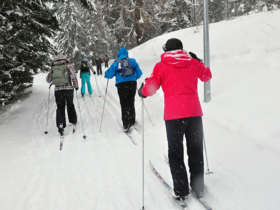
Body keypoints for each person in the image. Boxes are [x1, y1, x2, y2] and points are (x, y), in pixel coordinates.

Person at [138, 38, 212, 201]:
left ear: (166, 50)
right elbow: (207, 76)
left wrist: (142, 92)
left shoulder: (161, 66)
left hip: (173, 116)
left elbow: (152, 87)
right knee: (195, 149)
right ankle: (198, 187)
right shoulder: (192, 63)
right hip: (193, 114)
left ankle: (181, 190)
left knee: (175, 152)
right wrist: (198, 60)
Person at [105, 47, 142, 132]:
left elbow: (109, 74)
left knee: (124, 103)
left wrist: (107, 74)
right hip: (132, 84)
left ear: (119, 54)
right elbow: (139, 73)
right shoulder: (132, 61)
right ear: (126, 53)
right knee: (131, 102)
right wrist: (133, 78)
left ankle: (126, 124)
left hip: (121, 85)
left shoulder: (116, 63)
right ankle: (132, 120)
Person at [46, 54, 79, 136]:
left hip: (58, 90)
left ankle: (60, 125)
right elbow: (73, 76)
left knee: (60, 107)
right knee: (70, 105)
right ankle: (73, 120)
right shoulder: (68, 66)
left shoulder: (53, 68)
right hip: (68, 89)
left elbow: (48, 80)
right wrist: (76, 86)